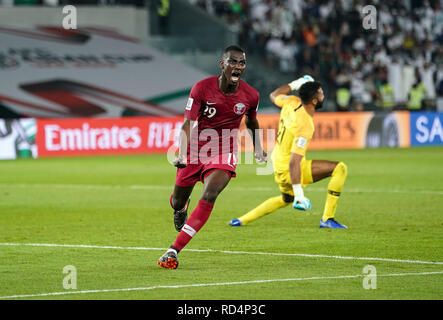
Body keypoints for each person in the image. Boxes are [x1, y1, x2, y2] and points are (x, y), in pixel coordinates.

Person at [157, 45, 267, 269]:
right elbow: (188, 122)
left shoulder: (251, 95)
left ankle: (173, 250)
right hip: (195, 149)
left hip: (224, 151)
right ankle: (181, 207)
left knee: (210, 194)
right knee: (177, 201)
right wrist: (181, 152)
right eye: (233, 62)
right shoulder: (202, 88)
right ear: (222, 65)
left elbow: (252, 121)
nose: (238, 66)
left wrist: (258, 147)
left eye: (242, 63)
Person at [229, 77, 348, 229]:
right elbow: (294, 161)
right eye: (321, 94)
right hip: (288, 168)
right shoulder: (305, 125)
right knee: (340, 168)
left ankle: (242, 220)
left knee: (286, 198)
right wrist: (300, 195)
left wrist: (295, 84)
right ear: (314, 101)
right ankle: (327, 218)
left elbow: (274, 94)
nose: (323, 95)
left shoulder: (291, 101)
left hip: (277, 164)